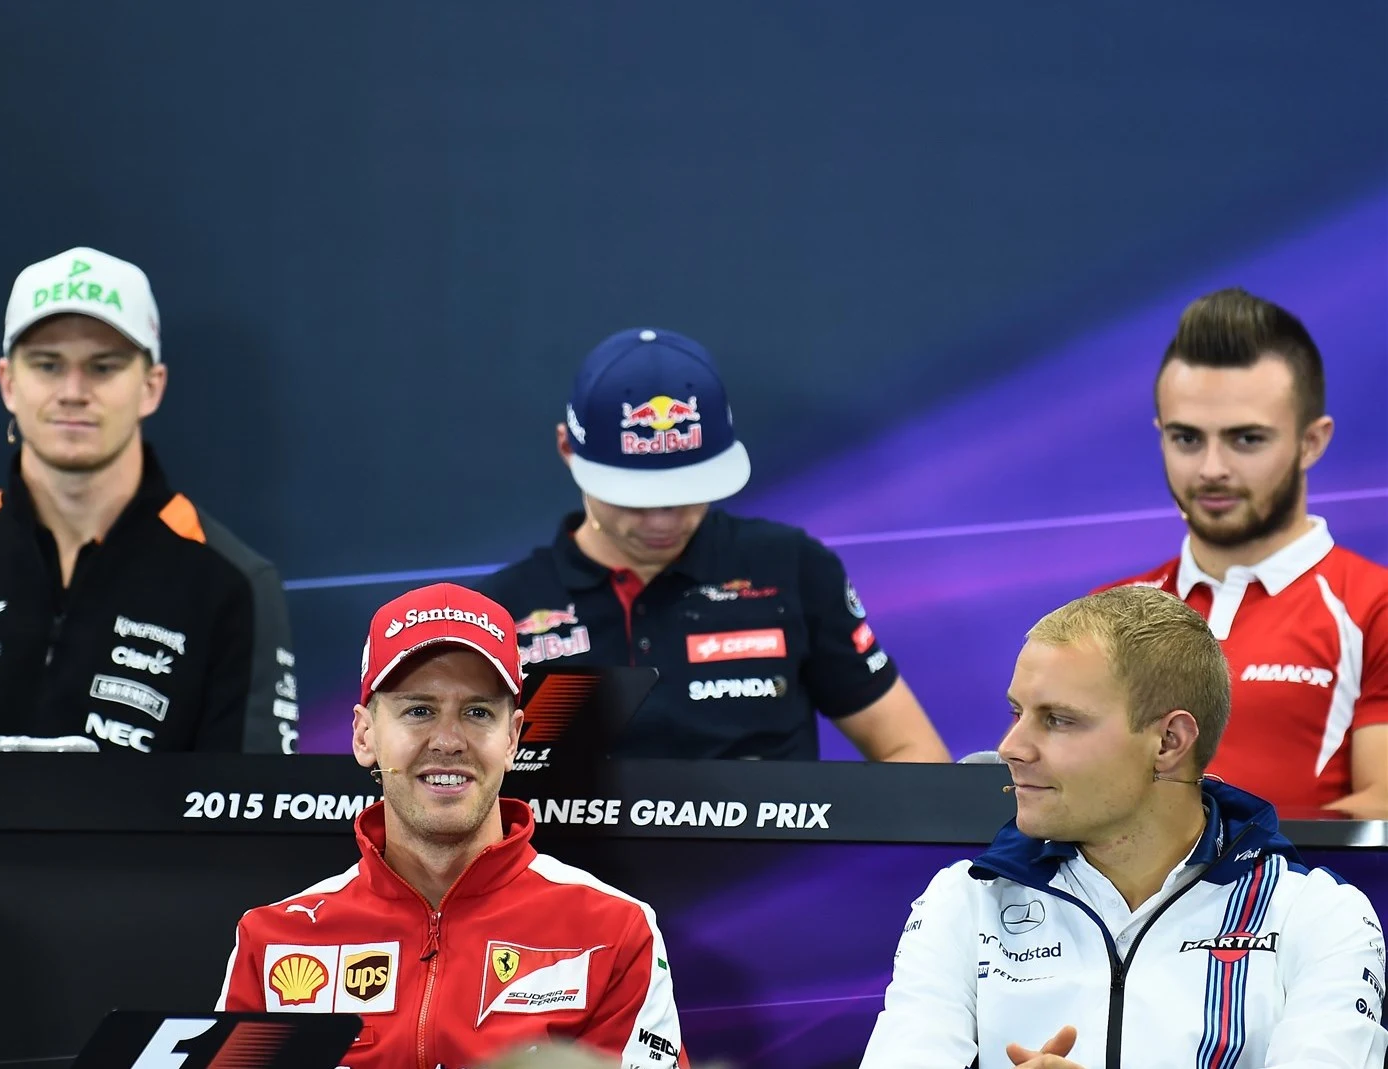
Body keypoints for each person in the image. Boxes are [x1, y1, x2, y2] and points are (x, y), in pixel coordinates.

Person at [860, 585, 1385, 1067]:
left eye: (1058, 720)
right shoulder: (964, 901)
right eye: (1018, 712)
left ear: (1168, 743)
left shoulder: (1317, 918)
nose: (1011, 748)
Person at [0, 246, 297, 769]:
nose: (73, 392)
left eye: (103, 366)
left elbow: (248, 815)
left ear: (151, 386)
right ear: (9, 382)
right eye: (48, 364)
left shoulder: (232, 583)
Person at [216, 584, 687, 1069]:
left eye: (477, 712)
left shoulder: (613, 931)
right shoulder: (273, 939)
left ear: (512, 739)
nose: (447, 740)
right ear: (364, 735)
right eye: (418, 711)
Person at [477, 327, 950, 762]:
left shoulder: (792, 568)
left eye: (687, 490)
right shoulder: (499, 612)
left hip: (779, 856)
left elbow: (912, 750)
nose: (662, 519)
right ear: (567, 449)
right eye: (634, 496)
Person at [1098, 288, 1387, 818]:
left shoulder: (1375, 608)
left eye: (1246, 439)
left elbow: (1383, 808)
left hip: (1317, 899)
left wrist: (1216, 878)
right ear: (1160, 435)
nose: (1211, 468)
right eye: (1187, 438)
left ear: (1312, 442)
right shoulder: (1103, 616)